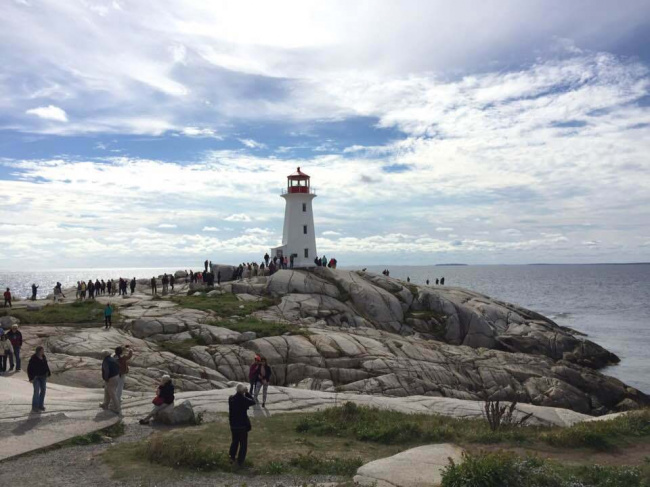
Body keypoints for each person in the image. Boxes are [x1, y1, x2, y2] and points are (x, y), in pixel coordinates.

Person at [228, 383, 256, 466]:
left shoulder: (231, 398)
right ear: (243, 390)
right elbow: (253, 402)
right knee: (243, 444)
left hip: (233, 425)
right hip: (242, 426)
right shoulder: (243, 399)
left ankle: (231, 457)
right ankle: (240, 461)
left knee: (234, 442)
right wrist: (247, 393)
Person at [27, 346, 51, 413]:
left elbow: (46, 365)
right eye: (42, 351)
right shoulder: (33, 358)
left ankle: (40, 405)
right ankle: (35, 407)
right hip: (36, 377)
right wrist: (31, 378)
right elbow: (29, 369)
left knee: (43, 390)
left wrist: (48, 372)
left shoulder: (43, 357)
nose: (43, 352)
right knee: (36, 392)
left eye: (43, 351)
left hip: (43, 376)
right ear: (38, 351)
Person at [99, 350, 121, 414]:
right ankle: (105, 404)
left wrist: (106, 379)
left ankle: (117, 408)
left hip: (111, 378)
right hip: (116, 376)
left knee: (112, 393)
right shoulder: (113, 359)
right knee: (106, 390)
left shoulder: (106, 361)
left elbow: (106, 371)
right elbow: (118, 366)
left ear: (103, 355)